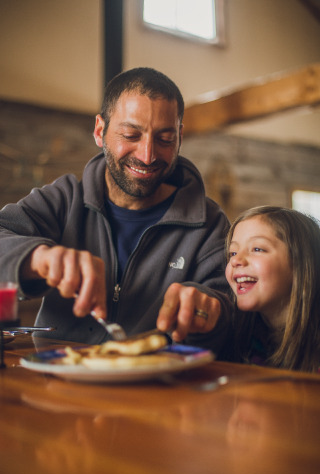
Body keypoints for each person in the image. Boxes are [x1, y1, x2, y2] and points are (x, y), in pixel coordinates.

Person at [0, 67, 231, 353]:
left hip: (161, 388)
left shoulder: (210, 224)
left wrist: (212, 310)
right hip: (57, 380)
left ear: (180, 137)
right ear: (100, 131)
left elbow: (231, 311)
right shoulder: (63, 199)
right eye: (131, 135)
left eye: (165, 139)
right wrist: (39, 258)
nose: (147, 155)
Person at [225, 205, 320, 372]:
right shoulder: (241, 335)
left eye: (257, 249)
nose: (236, 260)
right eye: (232, 252)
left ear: (300, 265)